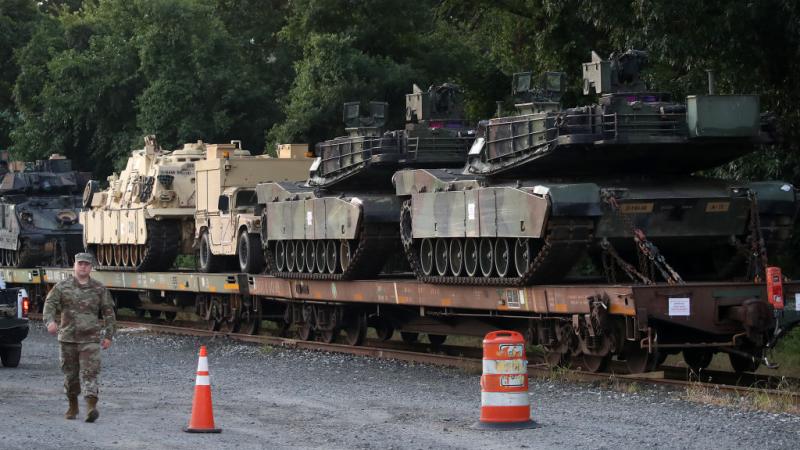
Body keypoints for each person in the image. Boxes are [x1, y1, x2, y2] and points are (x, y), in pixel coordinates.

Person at [43, 252, 116, 423]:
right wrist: (49, 322)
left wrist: (109, 335)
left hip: (90, 338)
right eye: (80, 264)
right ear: (74, 265)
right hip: (67, 338)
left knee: (90, 373)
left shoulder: (99, 288)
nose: (83, 267)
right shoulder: (62, 286)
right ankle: (73, 405)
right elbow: (50, 304)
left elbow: (108, 312)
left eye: (86, 264)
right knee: (70, 375)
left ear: (91, 268)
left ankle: (91, 407)